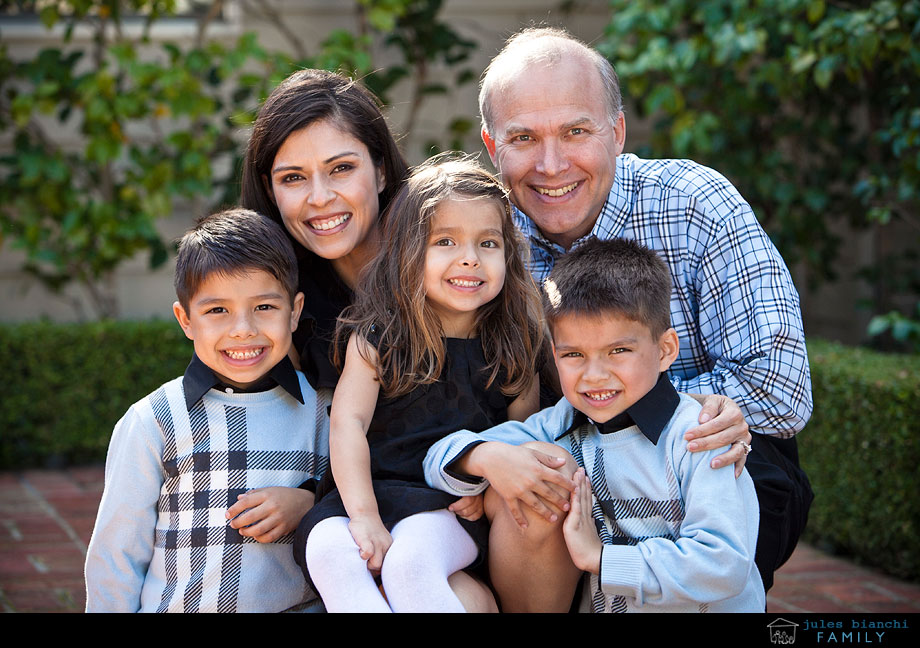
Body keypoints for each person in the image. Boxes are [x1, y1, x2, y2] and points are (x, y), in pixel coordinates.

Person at [468, 27, 814, 603]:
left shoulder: (696, 202)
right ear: (491, 145)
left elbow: (781, 389)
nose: (551, 165)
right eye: (524, 137)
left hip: (710, 459)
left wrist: (642, 414)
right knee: (525, 483)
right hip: (564, 457)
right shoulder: (477, 237)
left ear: (618, 131)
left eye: (576, 131)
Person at [239, 69, 497, 611]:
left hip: (460, 518)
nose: (320, 198)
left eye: (341, 168)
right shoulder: (284, 302)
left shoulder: (455, 268)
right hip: (355, 530)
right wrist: (309, 497)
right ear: (270, 190)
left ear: (380, 170)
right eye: (292, 178)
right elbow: (287, 427)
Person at [427, 237, 765, 612]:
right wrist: (485, 458)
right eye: (574, 355)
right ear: (555, 355)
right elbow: (438, 456)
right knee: (533, 458)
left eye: (618, 351)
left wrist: (601, 558)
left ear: (666, 350)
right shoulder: (562, 423)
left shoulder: (702, 435)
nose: (595, 375)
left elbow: (724, 565)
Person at [297, 156, 545, 612]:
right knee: (327, 549)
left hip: (449, 509)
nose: (470, 257)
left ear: (508, 253)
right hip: (368, 496)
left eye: (488, 243)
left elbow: (523, 437)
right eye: (445, 241)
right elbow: (348, 424)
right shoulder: (376, 337)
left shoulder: (512, 342)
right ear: (409, 252)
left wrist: (487, 490)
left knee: (410, 562)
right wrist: (364, 515)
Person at [84, 209, 329, 612]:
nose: (242, 329)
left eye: (264, 307)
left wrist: (310, 503)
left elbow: (359, 505)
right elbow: (117, 555)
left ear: (295, 310)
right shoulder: (154, 421)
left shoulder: (326, 412)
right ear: (186, 319)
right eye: (217, 311)